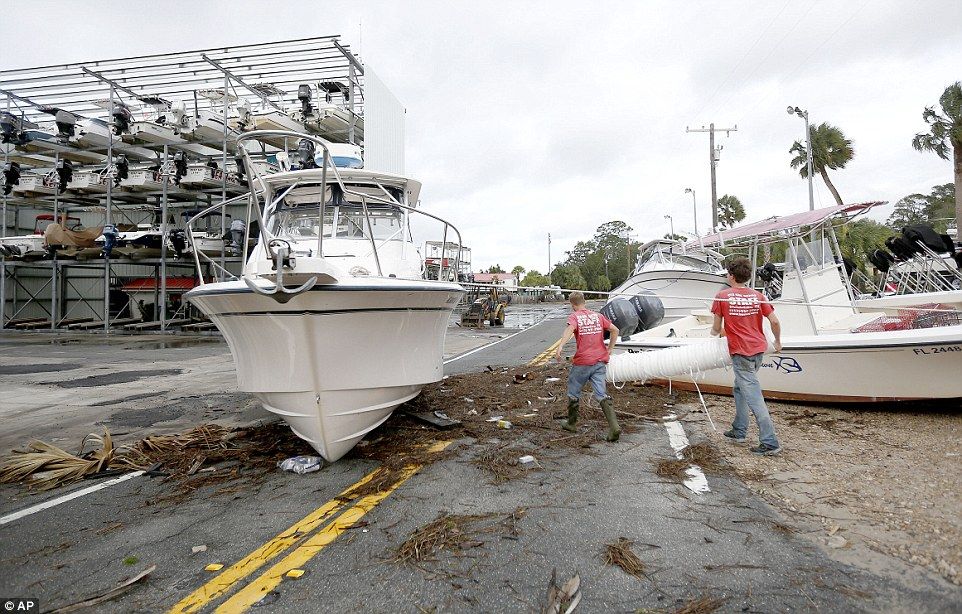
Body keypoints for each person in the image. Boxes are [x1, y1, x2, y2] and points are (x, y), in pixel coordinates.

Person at [710, 257, 783, 455]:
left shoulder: (722, 296)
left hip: (741, 352)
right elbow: (774, 322)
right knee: (740, 388)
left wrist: (713, 333)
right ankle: (739, 430)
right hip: (758, 350)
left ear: (731, 276)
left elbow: (717, 329)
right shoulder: (758, 296)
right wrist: (777, 342)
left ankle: (770, 441)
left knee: (753, 396)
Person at [554, 291, 621, 441]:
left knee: (573, 391)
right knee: (601, 394)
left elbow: (570, 329)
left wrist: (560, 346)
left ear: (572, 305)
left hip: (583, 362)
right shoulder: (598, 316)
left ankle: (571, 423)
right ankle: (614, 427)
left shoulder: (575, 317)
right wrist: (609, 349)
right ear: (585, 301)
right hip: (600, 361)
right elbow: (615, 330)